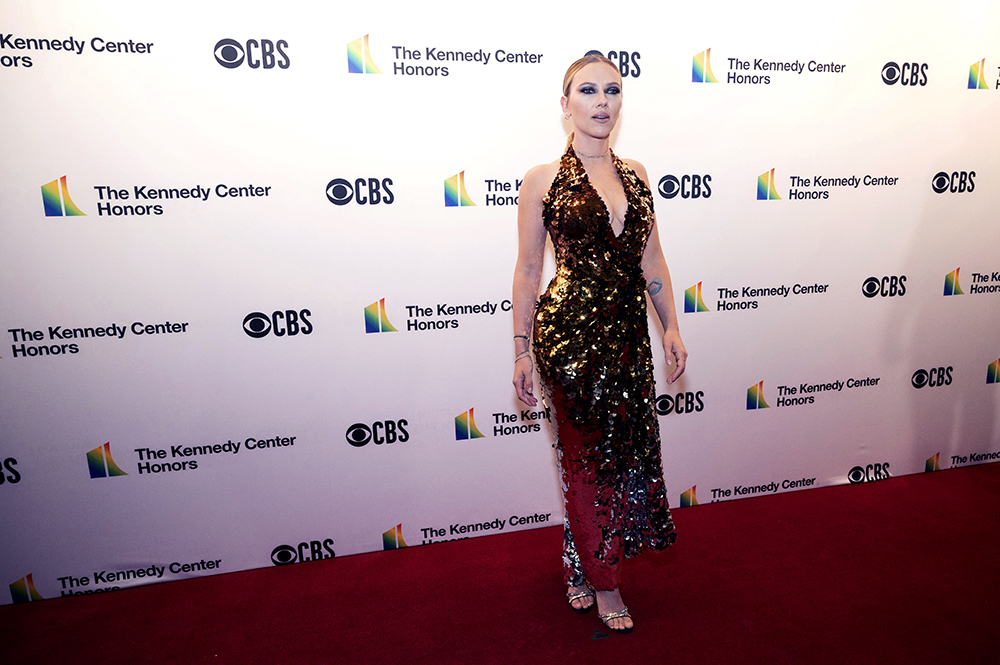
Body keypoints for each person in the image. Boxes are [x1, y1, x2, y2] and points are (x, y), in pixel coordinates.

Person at [511, 53, 687, 634]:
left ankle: (579, 561)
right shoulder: (542, 179)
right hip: (567, 341)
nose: (602, 101)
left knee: (622, 456)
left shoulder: (635, 172)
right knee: (587, 463)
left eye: (612, 90)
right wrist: (519, 350)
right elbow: (528, 270)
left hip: (628, 340)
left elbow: (651, 258)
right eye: (587, 91)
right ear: (565, 106)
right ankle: (606, 580)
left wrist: (671, 324)